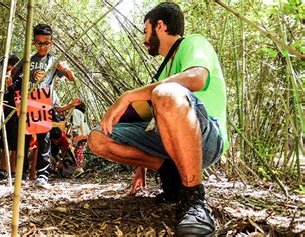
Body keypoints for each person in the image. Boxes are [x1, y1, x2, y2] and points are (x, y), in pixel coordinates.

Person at [87, 2, 228, 236]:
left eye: (145, 30)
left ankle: (194, 198)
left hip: (206, 138)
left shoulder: (193, 42)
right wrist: (140, 166)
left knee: (165, 92)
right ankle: (170, 173)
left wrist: (129, 96)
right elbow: (149, 119)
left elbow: (197, 79)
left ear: (159, 26)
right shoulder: (163, 73)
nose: (144, 38)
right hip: (168, 142)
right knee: (97, 137)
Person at [14, 23, 76, 189]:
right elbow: (13, 74)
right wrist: (8, 78)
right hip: (27, 102)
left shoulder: (54, 61)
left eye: (46, 43)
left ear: (52, 43)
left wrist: (67, 70)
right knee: (24, 141)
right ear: (34, 42)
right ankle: (21, 175)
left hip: (43, 103)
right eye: (39, 43)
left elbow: (71, 78)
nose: (42, 46)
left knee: (44, 140)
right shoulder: (28, 59)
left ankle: (42, 176)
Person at [71, 101, 90, 177]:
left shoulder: (75, 111)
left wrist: (73, 131)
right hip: (84, 134)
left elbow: (76, 124)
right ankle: (79, 168)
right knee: (80, 151)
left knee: (77, 151)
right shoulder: (82, 114)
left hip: (79, 134)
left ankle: (79, 168)